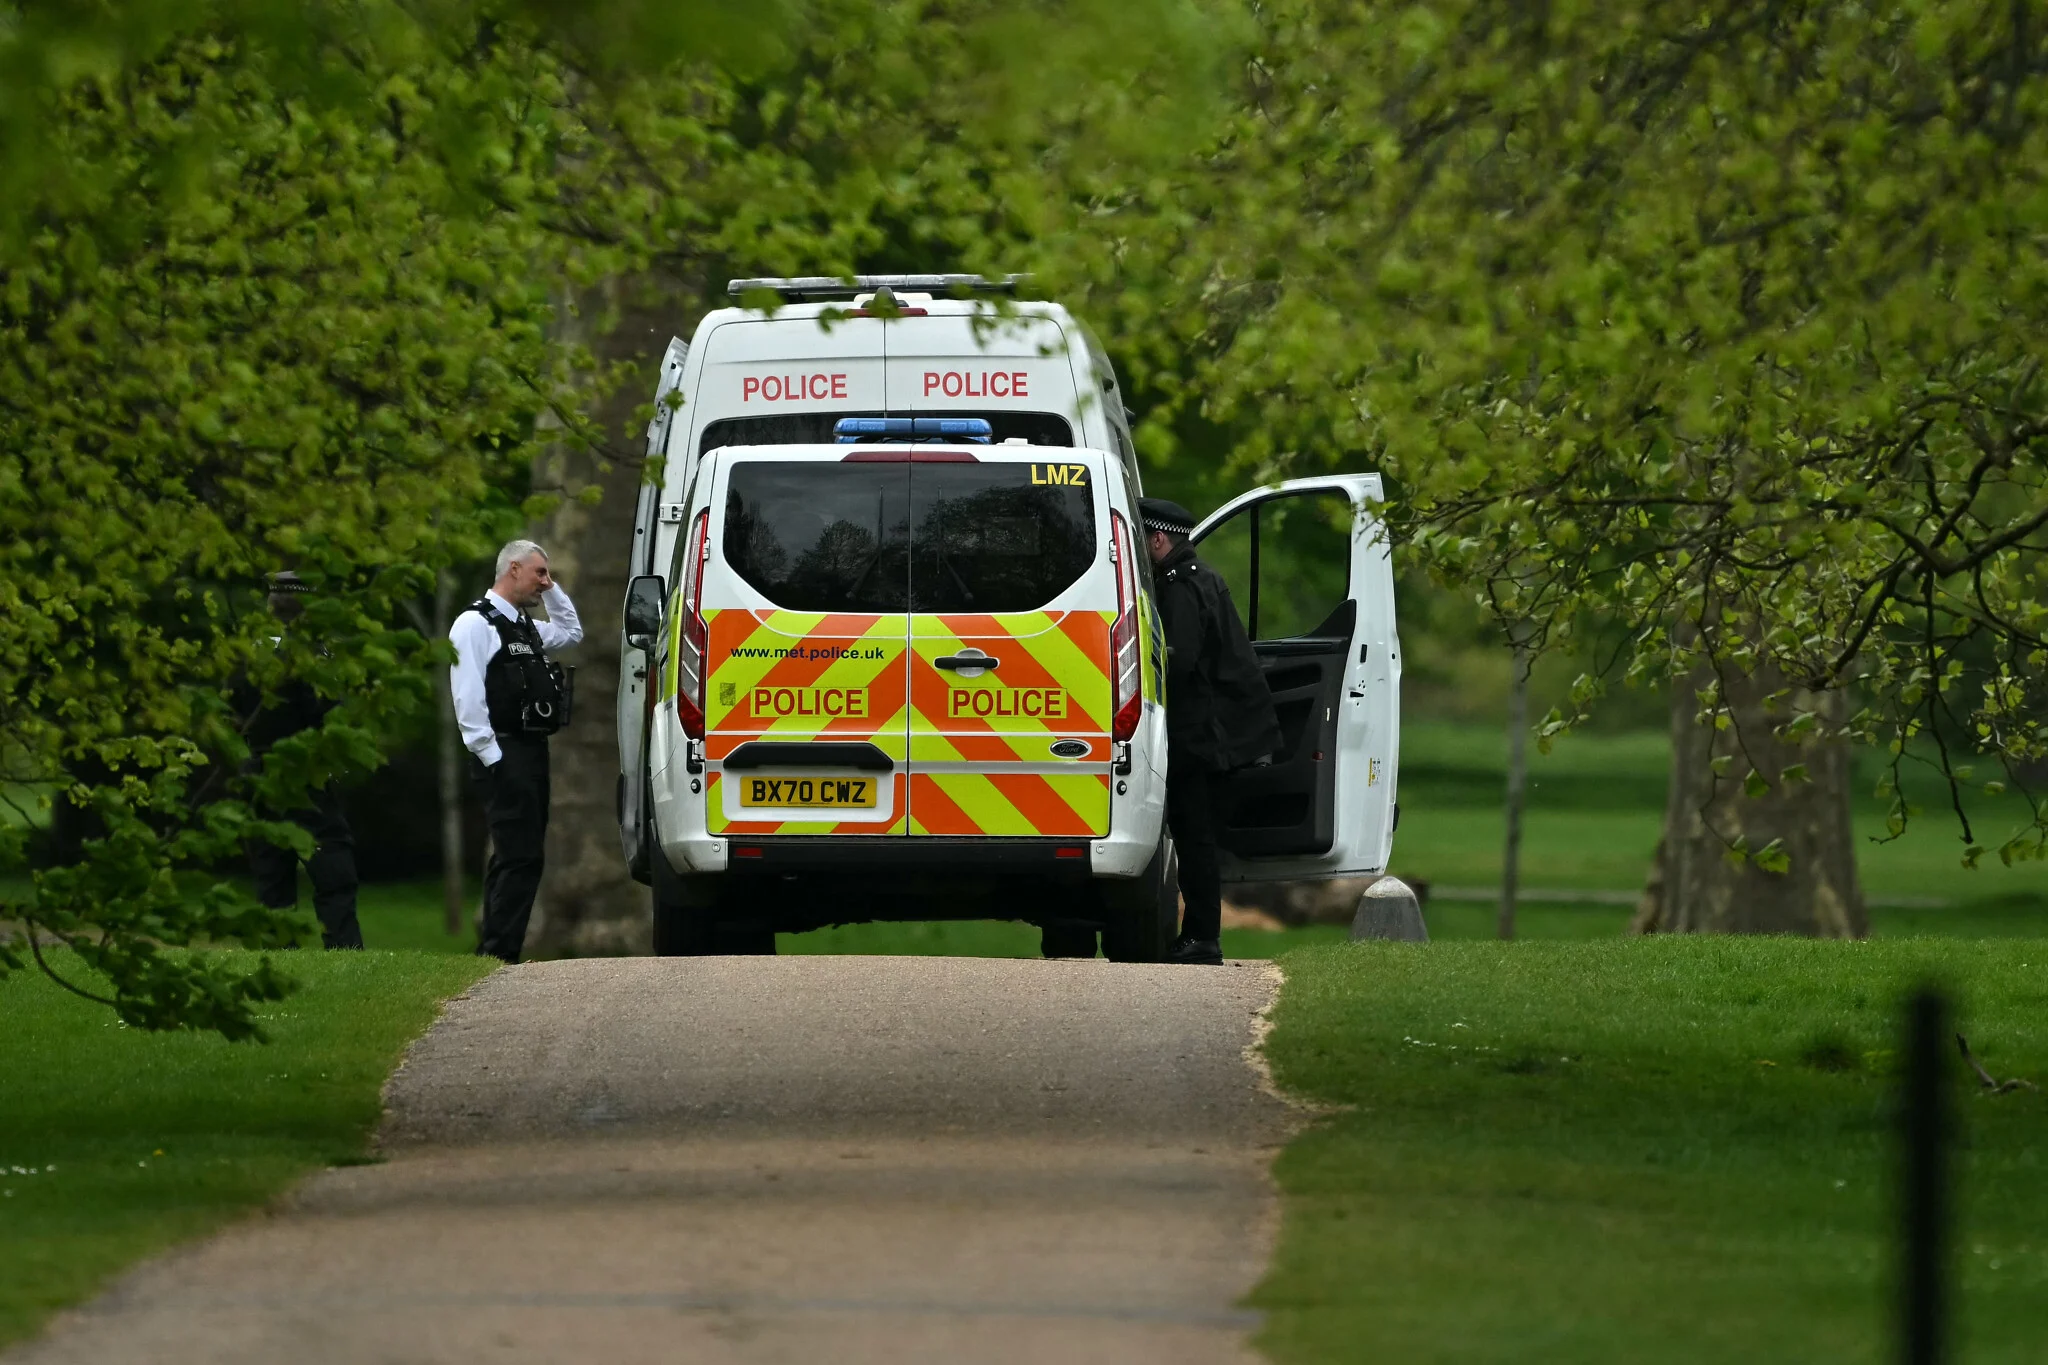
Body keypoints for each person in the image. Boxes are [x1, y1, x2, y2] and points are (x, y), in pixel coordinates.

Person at [1139, 498, 1281, 966]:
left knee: (1194, 835)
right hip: (1211, 730)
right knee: (1196, 834)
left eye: (1142, 540)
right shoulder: (1201, 578)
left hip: (1198, 734)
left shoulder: (1180, 586)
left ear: (1158, 539)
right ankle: (1199, 934)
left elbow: (1177, 661)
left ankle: (1202, 936)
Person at [449, 540, 582, 962]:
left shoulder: (524, 626)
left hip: (531, 749)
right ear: (513, 569)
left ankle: (494, 952)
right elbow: (468, 699)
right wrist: (494, 759)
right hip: (503, 751)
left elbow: (571, 632)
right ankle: (500, 954)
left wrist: (552, 589)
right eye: (540, 573)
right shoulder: (475, 624)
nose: (545, 581)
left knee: (518, 855)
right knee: (520, 856)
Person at [246, 571, 365, 950]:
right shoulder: (311, 653)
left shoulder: (247, 649)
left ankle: (277, 953)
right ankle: (344, 949)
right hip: (305, 770)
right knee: (332, 862)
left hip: (256, 770)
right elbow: (323, 709)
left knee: (271, 869)